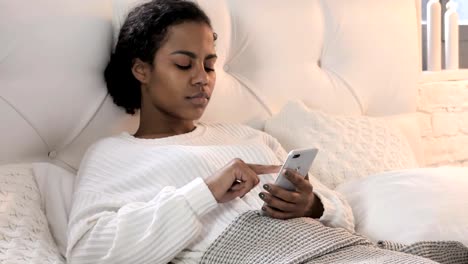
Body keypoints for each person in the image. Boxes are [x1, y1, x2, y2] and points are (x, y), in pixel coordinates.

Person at [66, 0, 354, 263]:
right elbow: (87, 252)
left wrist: (312, 205)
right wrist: (205, 192)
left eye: (210, 65)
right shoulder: (113, 154)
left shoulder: (248, 137)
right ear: (142, 70)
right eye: (183, 65)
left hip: (342, 250)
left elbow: (343, 214)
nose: (202, 79)